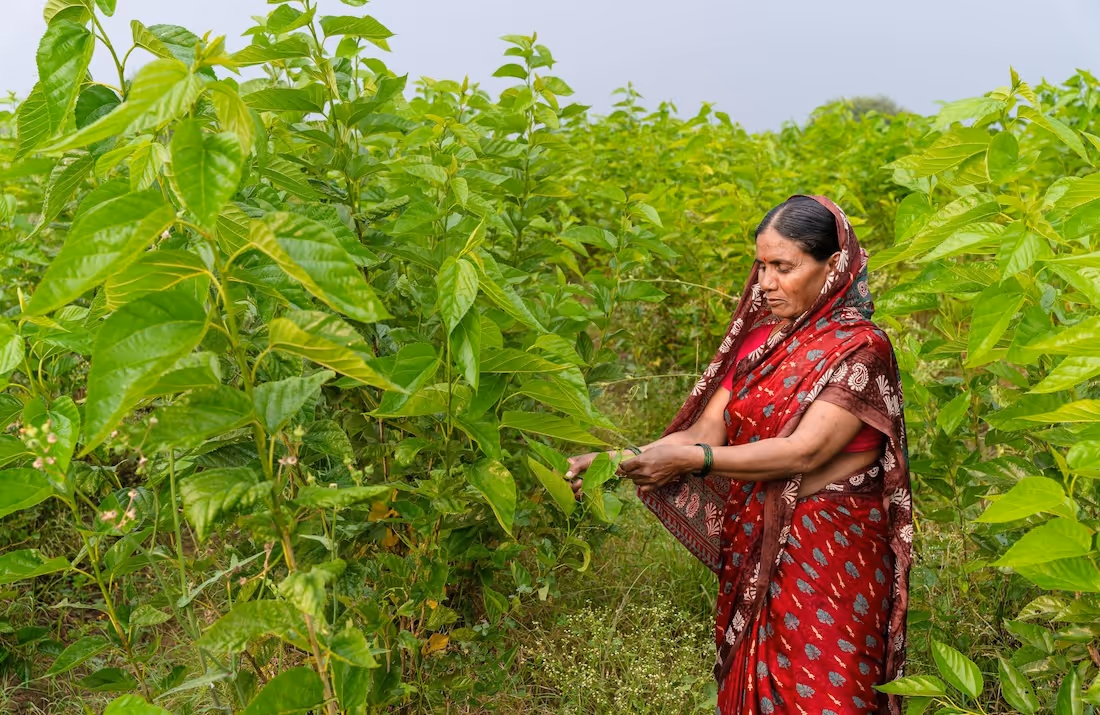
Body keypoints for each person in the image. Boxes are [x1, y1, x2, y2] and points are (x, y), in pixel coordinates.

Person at [565, 195, 912, 715]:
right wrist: (619, 460)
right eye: (761, 265)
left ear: (833, 266)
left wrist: (692, 462)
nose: (764, 283)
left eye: (783, 267)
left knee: (830, 697)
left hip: (833, 561)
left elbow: (804, 451)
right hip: (757, 552)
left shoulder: (861, 348)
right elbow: (708, 431)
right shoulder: (760, 344)